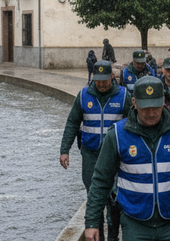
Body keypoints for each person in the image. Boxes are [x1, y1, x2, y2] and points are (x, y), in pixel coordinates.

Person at [84, 77, 170, 241]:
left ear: (163, 101)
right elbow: (101, 180)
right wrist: (91, 222)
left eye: (156, 107)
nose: (151, 113)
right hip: (135, 222)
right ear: (134, 102)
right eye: (145, 108)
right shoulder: (117, 134)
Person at [60, 60, 131, 241]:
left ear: (112, 77)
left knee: (114, 198)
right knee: (94, 197)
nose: (100, 84)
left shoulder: (123, 96)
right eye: (97, 80)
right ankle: (97, 234)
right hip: (90, 154)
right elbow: (72, 122)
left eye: (104, 80)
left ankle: (113, 237)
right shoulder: (84, 95)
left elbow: (133, 124)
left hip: (116, 157)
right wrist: (64, 150)